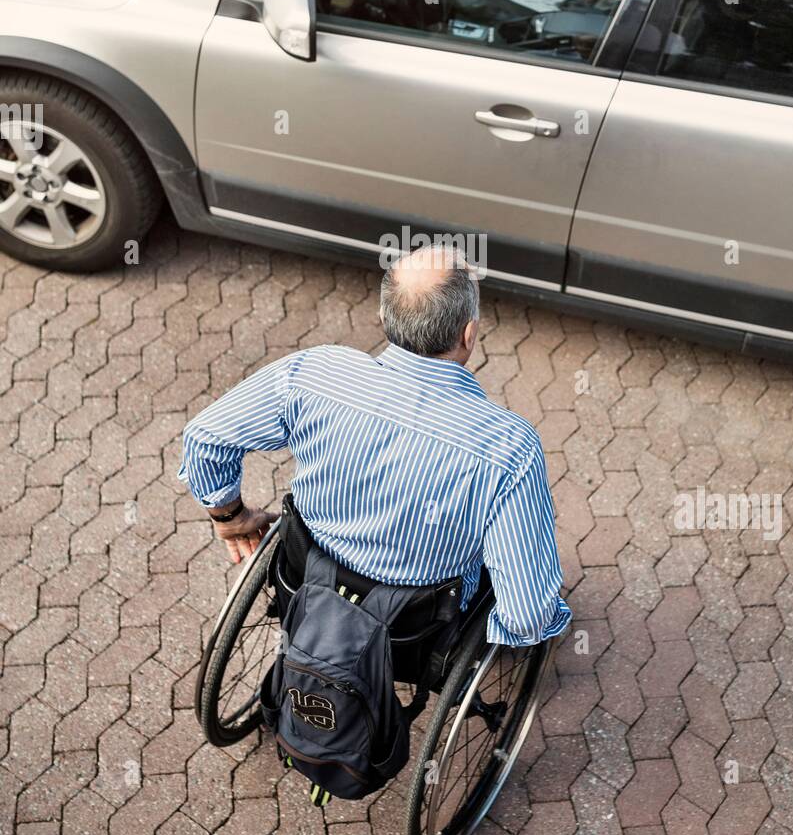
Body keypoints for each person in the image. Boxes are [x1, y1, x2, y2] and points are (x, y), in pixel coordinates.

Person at [178, 243, 570, 646]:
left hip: (307, 580)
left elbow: (206, 437)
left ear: (383, 317)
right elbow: (527, 613)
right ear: (468, 335)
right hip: (413, 628)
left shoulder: (313, 373)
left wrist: (232, 519)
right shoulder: (508, 446)